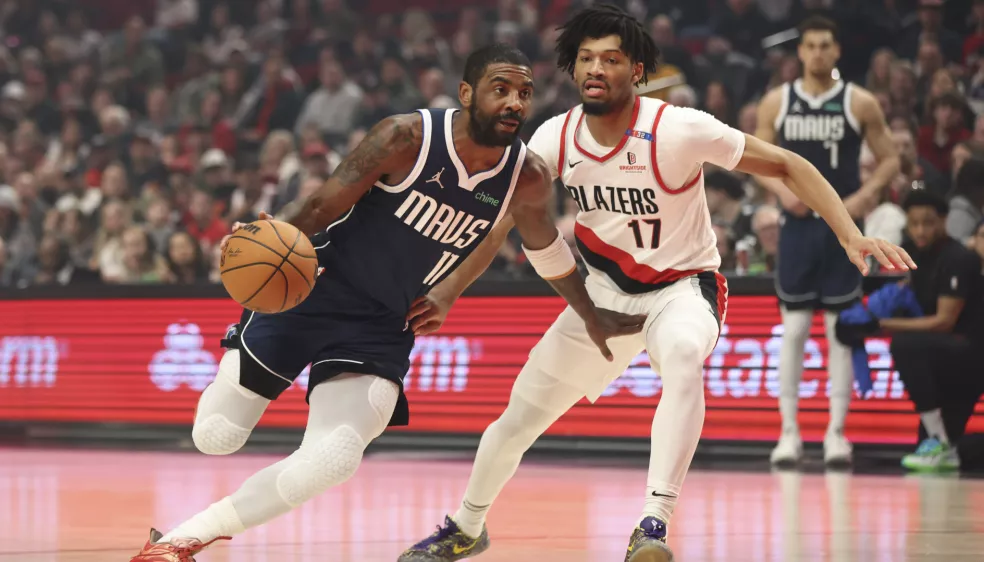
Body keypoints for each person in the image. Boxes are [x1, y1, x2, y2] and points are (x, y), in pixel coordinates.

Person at [399, 6, 914, 562]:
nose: (596, 69)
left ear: (637, 71)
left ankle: (653, 522)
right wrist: (448, 289)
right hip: (599, 293)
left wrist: (848, 234)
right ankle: (466, 526)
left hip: (681, 288)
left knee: (684, 359)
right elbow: (503, 222)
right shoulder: (556, 136)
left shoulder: (679, 128)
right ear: (573, 69)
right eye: (586, 58)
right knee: (516, 420)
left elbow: (787, 164)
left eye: (612, 59)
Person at [128, 44, 645, 562]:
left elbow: (543, 247)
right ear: (467, 94)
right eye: (501, 89)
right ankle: (239, 364)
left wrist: (586, 312)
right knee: (216, 436)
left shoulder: (526, 176)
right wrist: (269, 236)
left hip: (384, 322)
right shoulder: (406, 137)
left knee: (334, 457)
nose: (515, 102)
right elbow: (320, 205)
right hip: (314, 290)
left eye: (525, 94)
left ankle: (183, 538)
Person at [754, 16, 901, 466]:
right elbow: (757, 159)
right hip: (797, 228)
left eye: (825, 46)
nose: (817, 53)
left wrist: (862, 197)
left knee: (841, 333)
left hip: (843, 229)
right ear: (800, 52)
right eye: (811, 46)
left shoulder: (859, 102)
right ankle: (789, 433)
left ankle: (836, 433)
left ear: (836, 52)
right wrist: (783, 194)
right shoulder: (777, 101)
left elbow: (891, 158)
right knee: (795, 330)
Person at [887, 191, 983, 472]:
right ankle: (942, 441)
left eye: (927, 223)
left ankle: (940, 441)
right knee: (946, 450)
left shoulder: (958, 258)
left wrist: (881, 325)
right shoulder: (911, 253)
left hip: (970, 356)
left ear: (943, 221)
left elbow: (944, 321)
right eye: (913, 223)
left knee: (904, 346)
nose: (920, 230)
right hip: (942, 356)